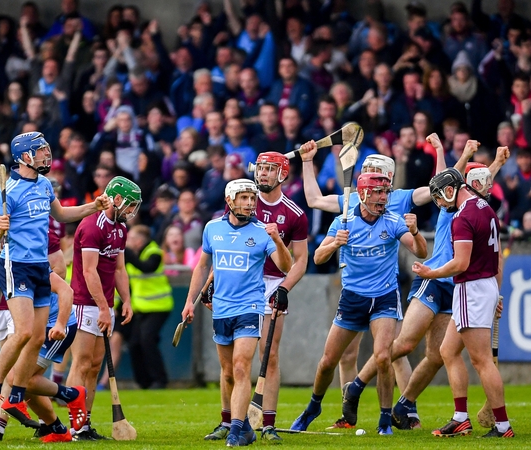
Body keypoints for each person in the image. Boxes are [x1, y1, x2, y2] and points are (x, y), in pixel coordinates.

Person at [342, 140, 508, 430]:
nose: (438, 203)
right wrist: (473, 159)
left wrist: (484, 162)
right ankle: (356, 385)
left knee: (439, 355)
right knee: (406, 343)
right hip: (438, 282)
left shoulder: (466, 210)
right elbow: (454, 181)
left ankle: (408, 404)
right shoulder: (467, 209)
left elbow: (461, 183)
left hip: (456, 281)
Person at [299, 137, 444, 429]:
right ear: (363, 187)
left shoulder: (397, 204)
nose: (382, 194)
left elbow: (437, 190)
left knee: (385, 355)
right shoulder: (346, 210)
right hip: (352, 294)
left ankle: (390, 417)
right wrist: (305, 162)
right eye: (374, 185)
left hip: (385, 293)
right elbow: (316, 237)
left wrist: (415, 231)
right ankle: (335, 412)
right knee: (335, 359)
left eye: (384, 186)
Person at [0, 131, 109, 433]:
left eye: (46, 150)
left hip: (39, 266)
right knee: (23, 332)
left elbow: (61, 214)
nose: (46, 156)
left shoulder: (45, 185)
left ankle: (17, 395)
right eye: (40, 151)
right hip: (18, 266)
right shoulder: (6, 192)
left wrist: (93, 206)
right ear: (24, 157)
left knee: (37, 339)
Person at [0, 220, 88, 443]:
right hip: (38, 329)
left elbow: (66, 290)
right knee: (23, 382)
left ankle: (72, 397)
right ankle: (59, 426)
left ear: (1, 240)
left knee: (17, 378)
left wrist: (60, 324)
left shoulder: (28, 263)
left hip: (56, 328)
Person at [206, 152, 310, 443]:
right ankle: (230, 422)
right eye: (260, 168)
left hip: (274, 281)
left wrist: (285, 288)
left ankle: (268, 423)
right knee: (232, 365)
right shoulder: (241, 196)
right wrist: (209, 285)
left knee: (269, 353)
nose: (262, 174)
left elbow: (300, 260)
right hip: (235, 282)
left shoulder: (294, 213)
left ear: (282, 174)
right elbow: (224, 248)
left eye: (269, 169)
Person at [182, 179, 292, 446]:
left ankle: (236, 431)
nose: (250, 203)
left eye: (252, 198)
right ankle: (233, 423)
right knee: (228, 371)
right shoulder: (212, 229)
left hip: (250, 307)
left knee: (242, 367)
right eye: (244, 198)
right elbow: (202, 267)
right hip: (221, 308)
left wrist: (277, 240)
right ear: (230, 201)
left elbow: (286, 265)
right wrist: (190, 301)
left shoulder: (262, 232)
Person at [412, 168, 514, 438]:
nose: (440, 203)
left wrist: (429, 272)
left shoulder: (463, 216)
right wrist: (496, 293)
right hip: (482, 285)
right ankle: (460, 418)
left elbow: (461, 263)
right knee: (447, 350)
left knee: (481, 361)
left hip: (472, 287)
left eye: (440, 197)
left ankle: (502, 426)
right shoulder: (485, 208)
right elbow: (497, 259)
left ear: (450, 189)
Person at [66, 175, 141, 440]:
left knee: (96, 364)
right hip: (85, 304)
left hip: (104, 304)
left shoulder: (120, 229)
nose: (132, 211)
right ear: (117, 199)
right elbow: (88, 272)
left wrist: (126, 300)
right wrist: (100, 308)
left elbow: (119, 269)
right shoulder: (91, 225)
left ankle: (84, 424)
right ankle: (74, 425)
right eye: (130, 205)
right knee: (82, 363)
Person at [125, 224, 173, 390]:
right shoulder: (132, 255)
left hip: (159, 306)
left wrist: (129, 255)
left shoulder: (154, 252)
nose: (127, 241)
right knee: (135, 344)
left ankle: (160, 380)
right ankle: (144, 382)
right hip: (142, 307)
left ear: (139, 241)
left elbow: (147, 267)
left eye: (130, 238)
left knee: (147, 340)